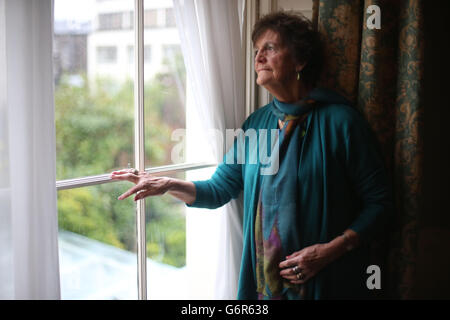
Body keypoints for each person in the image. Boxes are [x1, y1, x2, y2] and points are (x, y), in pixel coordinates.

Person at [111, 11, 391, 300]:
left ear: (300, 60)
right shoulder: (256, 124)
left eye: (269, 48)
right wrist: (168, 184)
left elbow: (380, 204)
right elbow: (219, 189)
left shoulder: (342, 122)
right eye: (256, 51)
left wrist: (328, 252)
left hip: (327, 283)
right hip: (263, 288)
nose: (258, 58)